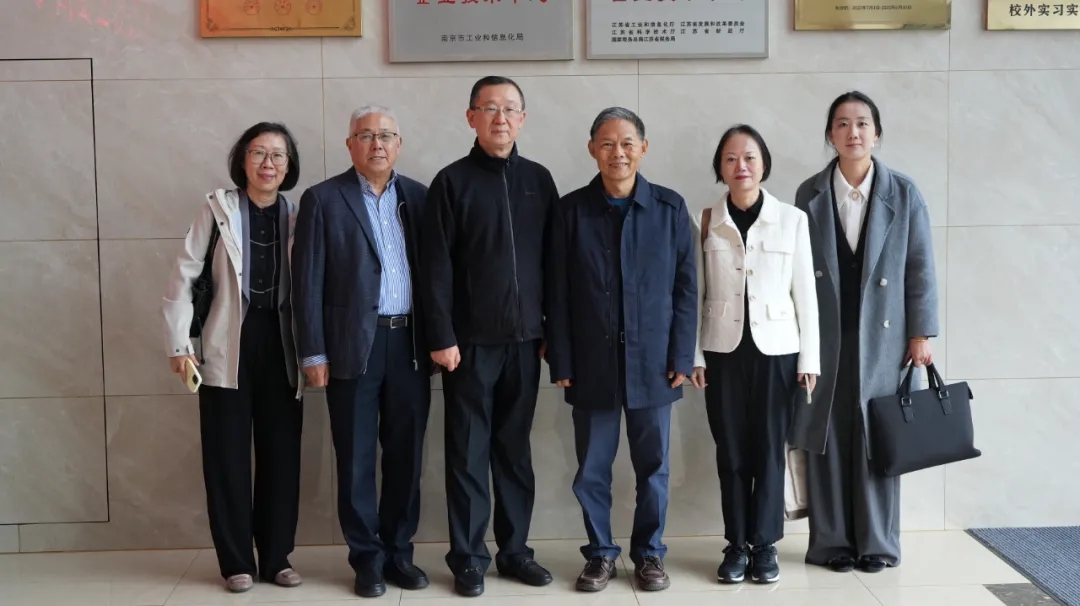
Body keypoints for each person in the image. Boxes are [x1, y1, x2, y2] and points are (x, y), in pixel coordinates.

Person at [546, 107, 697, 594]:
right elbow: (557, 294)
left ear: (643, 148)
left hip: (655, 365)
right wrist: (561, 358)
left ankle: (650, 554)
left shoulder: (670, 209)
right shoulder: (570, 211)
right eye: (607, 143)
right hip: (591, 364)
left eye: (628, 142)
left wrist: (682, 356)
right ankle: (600, 554)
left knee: (654, 468)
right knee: (592, 469)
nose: (618, 152)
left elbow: (686, 290)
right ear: (592, 149)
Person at [421, 76, 558, 598]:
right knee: (468, 453)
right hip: (469, 347)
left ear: (522, 118)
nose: (500, 118)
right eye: (490, 108)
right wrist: (442, 335)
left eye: (510, 109)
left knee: (514, 452)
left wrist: (552, 331)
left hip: (526, 343)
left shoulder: (539, 180)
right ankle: (469, 557)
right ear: (471, 117)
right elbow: (435, 268)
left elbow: (555, 263)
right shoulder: (451, 182)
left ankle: (516, 551)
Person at [791, 91, 938, 574]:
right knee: (827, 435)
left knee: (878, 436)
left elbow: (920, 267)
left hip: (885, 338)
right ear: (830, 135)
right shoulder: (809, 193)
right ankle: (832, 543)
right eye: (842, 124)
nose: (852, 132)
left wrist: (921, 334)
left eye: (862, 123)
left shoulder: (904, 193)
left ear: (876, 133)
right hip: (825, 335)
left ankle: (877, 544)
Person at [291, 106, 433, 598]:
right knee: (354, 459)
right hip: (351, 345)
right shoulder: (322, 199)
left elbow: (437, 275)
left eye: (386, 135)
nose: (377, 144)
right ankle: (367, 560)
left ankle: (399, 554)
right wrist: (313, 353)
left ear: (399, 144)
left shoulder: (419, 197)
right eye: (367, 135)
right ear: (350, 143)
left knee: (406, 456)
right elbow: (307, 281)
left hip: (409, 343)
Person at [162, 122, 303, 594]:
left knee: (281, 456)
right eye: (259, 153)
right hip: (226, 344)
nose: (268, 164)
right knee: (227, 458)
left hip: (282, 345)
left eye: (278, 155)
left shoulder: (298, 215)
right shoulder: (217, 208)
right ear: (242, 160)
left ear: (289, 166)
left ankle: (277, 557)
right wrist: (179, 346)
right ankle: (237, 561)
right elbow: (183, 274)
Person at [689, 125, 819, 585]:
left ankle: (764, 545)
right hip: (721, 351)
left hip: (778, 352)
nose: (740, 166)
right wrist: (694, 355)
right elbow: (694, 293)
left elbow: (805, 293)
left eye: (749, 157)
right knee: (731, 451)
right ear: (720, 168)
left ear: (763, 164)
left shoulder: (792, 220)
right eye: (730, 158)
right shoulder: (705, 220)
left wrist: (809, 360)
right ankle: (735, 544)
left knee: (768, 451)